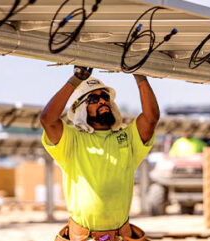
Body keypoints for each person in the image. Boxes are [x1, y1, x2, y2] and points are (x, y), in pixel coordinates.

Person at [40, 66, 159, 241]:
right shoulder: (72, 140)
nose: (103, 101)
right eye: (94, 99)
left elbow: (151, 118)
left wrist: (139, 75)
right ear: (81, 109)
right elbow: (47, 119)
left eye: (105, 97)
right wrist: (75, 80)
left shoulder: (127, 138)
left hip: (120, 236)